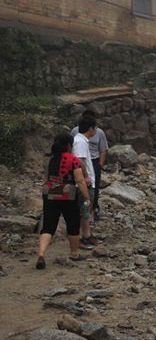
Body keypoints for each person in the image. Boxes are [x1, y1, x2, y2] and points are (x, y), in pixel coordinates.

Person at [36, 133, 92, 268]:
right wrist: (86, 197)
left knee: (48, 226)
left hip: (49, 194)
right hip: (68, 196)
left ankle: (41, 253)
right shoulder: (73, 160)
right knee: (72, 224)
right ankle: (74, 253)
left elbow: (46, 177)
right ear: (68, 145)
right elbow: (79, 180)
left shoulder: (49, 159)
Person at [70, 110, 108, 222]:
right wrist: (86, 174)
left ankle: (93, 209)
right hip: (83, 165)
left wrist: (100, 164)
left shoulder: (99, 133)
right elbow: (79, 159)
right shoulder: (77, 136)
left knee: (94, 189)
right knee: (86, 191)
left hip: (94, 161)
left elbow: (103, 149)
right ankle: (86, 216)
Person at [73, 115, 98, 248]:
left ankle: (87, 234)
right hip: (83, 182)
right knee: (85, 207)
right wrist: (86, 176)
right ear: (90, 128)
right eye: (95, 127)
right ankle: (85, 237)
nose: (96, 130)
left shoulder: (81, 140)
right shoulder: (80, 142)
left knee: (87, 208)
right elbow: (80, 160)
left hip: (85, 180)